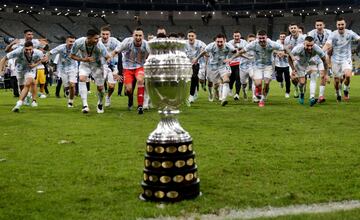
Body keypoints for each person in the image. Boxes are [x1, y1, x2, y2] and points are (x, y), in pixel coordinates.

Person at [226, 30, 285, 107]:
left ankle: (262, 100)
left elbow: (283, 48)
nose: (261, 40)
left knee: (266, 83)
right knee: (258, 83)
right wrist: (232, 58)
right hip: (257, 66)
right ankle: (258, 92)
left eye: (263, 38)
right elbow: (241, 52)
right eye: (260, 38)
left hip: (269, 66)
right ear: (257, 38)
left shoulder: (271, 43)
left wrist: (282, 53)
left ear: (266, 37)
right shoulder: (253, 44)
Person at [70, 29, 111, 114]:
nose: (97, 40)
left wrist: (108, 63)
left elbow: (107, 56)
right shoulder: (78, 42)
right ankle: (85, 105)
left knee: (100, 88)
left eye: (98, 38)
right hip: (84, 64)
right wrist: (83, 59)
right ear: (89, 38)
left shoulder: (100, 45)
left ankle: (100, 103)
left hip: (97, 66)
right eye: (95, 38)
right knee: (81, 79)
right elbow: (72, 55)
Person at [0, 41, 47, 112]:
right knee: (22, 87)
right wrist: (0, 70)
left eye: (30, 49)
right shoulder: (18, 51)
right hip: (19, 69)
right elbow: (4, 58)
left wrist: (35, 64)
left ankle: (19, 104)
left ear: (33, 48)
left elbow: (44, 60)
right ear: (24, 48)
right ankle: (27, 97)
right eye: (26, 49)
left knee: (28, 83)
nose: (28, 51)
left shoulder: (38, 52)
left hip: (30, 69)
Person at [112, 27, 150, 114]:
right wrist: (109, 58)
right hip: (127, 67)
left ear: (143, 36)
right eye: (136, 35)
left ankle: (140, 106)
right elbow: (116, 51)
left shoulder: (146, 44)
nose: (138, 37)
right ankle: (130, 98)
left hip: (139, 66)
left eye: (140, 35)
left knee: (140, 80)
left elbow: (152, 54)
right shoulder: (127, 42)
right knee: (128, 90)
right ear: (133, 36)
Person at [323, 17, 360, 102]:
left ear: (345, 24)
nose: (340, 26)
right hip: (335, 60)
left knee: (347, 75)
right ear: (336, 25)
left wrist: (357, 49)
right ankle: (337, 92)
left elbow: (358, 38)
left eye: (342, 24)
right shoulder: (333, 34)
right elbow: (328, 44)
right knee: (336, 81)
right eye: (339, 24)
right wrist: (321, 52)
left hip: (346, 59)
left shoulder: (350, 33)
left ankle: (346, 90)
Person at [193, 33, 236, 106]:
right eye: (218, 42)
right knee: (215, 85)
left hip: (223, 65)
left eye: (221, 42)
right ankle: (215, 91)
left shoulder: (228, 46)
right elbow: (203, 52)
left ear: (224, 41)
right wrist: (196, 59)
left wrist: (230, 59)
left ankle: (223, 99)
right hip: (213, 67)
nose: (219, 43)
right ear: (215, 41)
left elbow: (236, 52)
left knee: (226, 80)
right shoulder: (211, 46)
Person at [289, 36, 328, 106]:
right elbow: (289, 57)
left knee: (313, 77)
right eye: (307, 45)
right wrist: (293, 69)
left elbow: (324, 60)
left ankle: (312, 98)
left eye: (311, 45)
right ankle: (301, 93)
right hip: (299, 65)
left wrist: (326, 74)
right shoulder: (298, 48)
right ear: (304, 43)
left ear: (314, 44)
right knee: (302, 83)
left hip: (310, 63)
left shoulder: (317, 48)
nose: (310, 47)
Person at [307, 19, 332, 103]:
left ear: (324, 25)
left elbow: (329, 44)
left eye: (320, 25)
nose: (319, 27)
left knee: (322, 76)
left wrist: (321, 51)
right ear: (315, 26)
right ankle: (312, 96)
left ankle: (321, 96)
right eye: (317, 25)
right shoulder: (311, 33)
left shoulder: (329, 33)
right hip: (313, 58)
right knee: (313, 77)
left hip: (323, 57)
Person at [49, 36, 78, 108]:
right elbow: (50, 52)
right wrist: (46, 57)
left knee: (72, 85)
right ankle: (67, 90)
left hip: (73, 68)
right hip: (62, 69)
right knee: (66, 86)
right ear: (66, 41)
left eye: (73, 42)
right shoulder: (61, 47)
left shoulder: (77, 48)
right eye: (70, 41)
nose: (72, 43)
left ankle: (70, 102)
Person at [100, 26, 121, 107]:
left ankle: (108, 97)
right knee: (100, 85)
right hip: (102, 65)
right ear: (100, 34)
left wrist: (113, 55)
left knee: (111, 86)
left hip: (113, 65)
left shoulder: (114, 41)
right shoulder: (97, 42)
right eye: (103, 34)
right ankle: (100, 102)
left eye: (107, 34)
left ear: (110, 34)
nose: (105, 36)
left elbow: (121, 48)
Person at [284, 23, 306, 98]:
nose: (293, 29)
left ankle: (301, 90)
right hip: (292, 60)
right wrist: (293, 67)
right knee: (293, 78)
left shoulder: (303, 38)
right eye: (291, 28)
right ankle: (296, 88)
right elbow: (286, 51)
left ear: (297, 29)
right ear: (289, 30)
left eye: (294, 28)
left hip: (303, 61)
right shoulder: (287, 39)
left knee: (302, 80)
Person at [185, 30, 206, 104]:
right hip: (188, 63)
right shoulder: (184, 43)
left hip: (199, 62)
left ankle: (201, 85)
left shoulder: (200, 43)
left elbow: (205, 52)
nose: (190, 37)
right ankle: (192, 94)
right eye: (189, 36)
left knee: (197, 78)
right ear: (187, 36)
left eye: (192, 36)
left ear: (195, 37)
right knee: (192, 78)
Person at [228, 30, 247, 100]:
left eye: (238, 36)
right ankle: (230, 88)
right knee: (232, 78)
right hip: (232, 63)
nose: (236, 37)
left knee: (238, 78)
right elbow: (230, 51)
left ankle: (237, 94)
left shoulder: (244, 42)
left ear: (240, 36)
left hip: (241, 63)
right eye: (235, 36)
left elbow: (246, 50)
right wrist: (237, 49)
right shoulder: (230, 42)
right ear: (233, 36)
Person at [274, 32, 291, 98]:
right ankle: (281, 81)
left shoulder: (289, 43)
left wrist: (284, 54)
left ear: (286, 38)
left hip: (287, 64)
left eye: (284, 37)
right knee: (279, 78)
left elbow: (291, 53)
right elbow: (273, 50)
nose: (282, 38)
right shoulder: (277, 42)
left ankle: (287, 92)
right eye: (281, 37)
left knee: (287, 79)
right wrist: (278, 53)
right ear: (279, 37)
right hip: (278, 64)